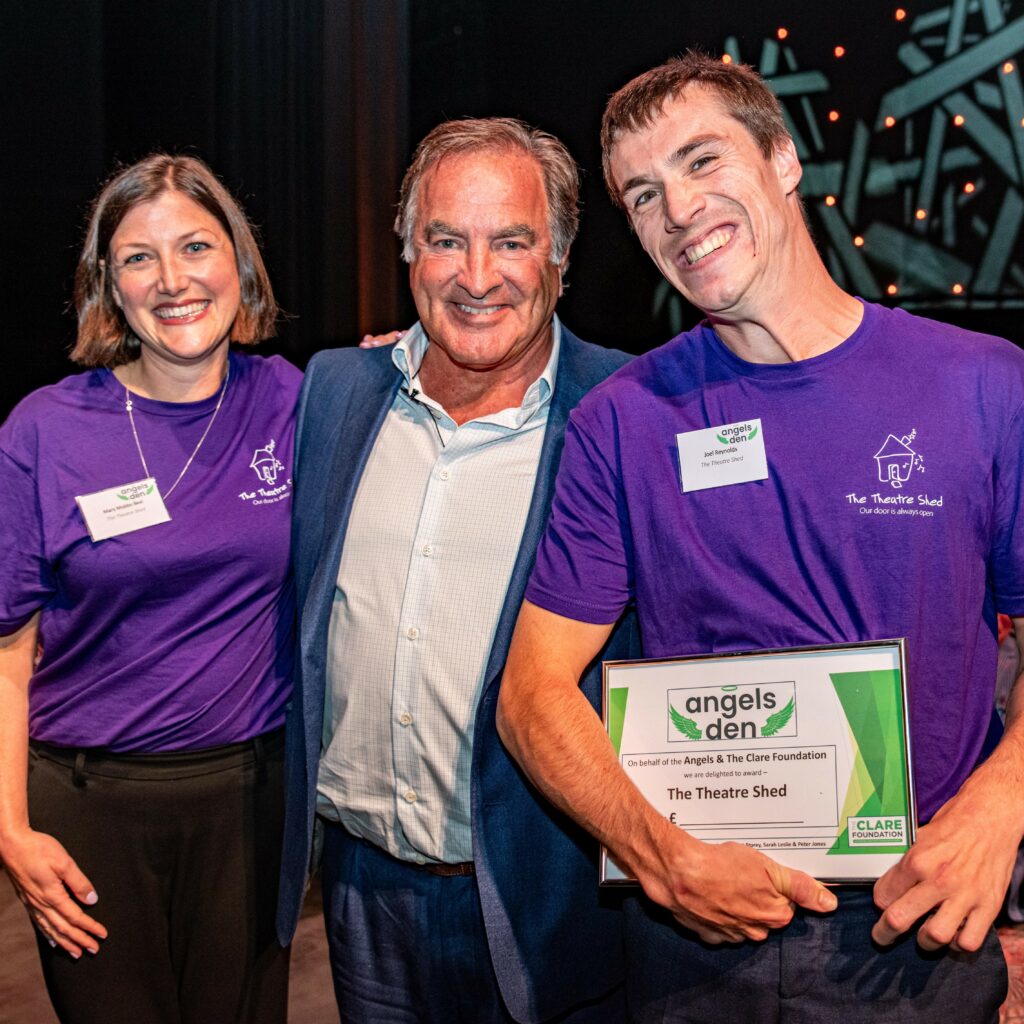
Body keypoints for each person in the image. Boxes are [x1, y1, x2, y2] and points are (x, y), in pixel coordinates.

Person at [497, 52, 1024, 1023]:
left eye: (703, 161)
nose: (679, 208)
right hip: (695, 938)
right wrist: (663, 857)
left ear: (783, 159)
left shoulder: (984, 384)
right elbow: (530, 695)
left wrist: (1004, 805)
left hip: (916, 925)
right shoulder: (622, 421)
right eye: (644, 194)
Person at [276, 117, 636, 1024]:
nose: (477, 277)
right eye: (446, 240)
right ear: (409, 253)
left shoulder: (626, 411)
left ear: (560, 257)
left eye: (511, 241)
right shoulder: (335, 390)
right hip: (362, 891)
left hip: (546, 892)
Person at [0, 153, 300, 1024]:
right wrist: (11, 833)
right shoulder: (44, 431)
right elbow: (7, 652)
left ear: (238, 265)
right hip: (88, 809)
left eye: (196, 247)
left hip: (252, 802)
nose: (173, 280)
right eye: (139, 257)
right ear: (109, 285)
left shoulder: (296, 400)